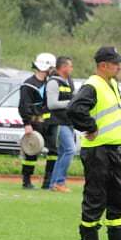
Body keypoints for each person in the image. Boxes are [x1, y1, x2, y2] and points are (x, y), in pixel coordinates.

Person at [68, 46, 121, 240]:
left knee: (118, 195)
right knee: (96, 195)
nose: (119, 66)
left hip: (112, 150)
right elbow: (74, 109)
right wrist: (90, 126)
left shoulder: (112, 84)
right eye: (115, 63)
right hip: (97, 151)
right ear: (103, 65)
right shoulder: (93, 85)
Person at [18, 53, 57, 189]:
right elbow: (23, 105)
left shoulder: (51, 83)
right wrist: (27, 123)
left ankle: (48, 181)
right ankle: (26, 181)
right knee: (31, 152)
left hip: (50, 122)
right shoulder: (28, 85)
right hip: (35, 122)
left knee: (53, 152)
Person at [45, 56, 76, 192]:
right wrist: (70, 103)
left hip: (68, 121)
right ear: (63, 67)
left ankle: (54, 184)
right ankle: (59, 182)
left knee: (63, 152)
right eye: (70, 66)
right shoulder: (53, 82)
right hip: (58, 122)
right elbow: (51, 104)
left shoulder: (68, 81)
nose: (72, 68)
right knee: (70, 150)